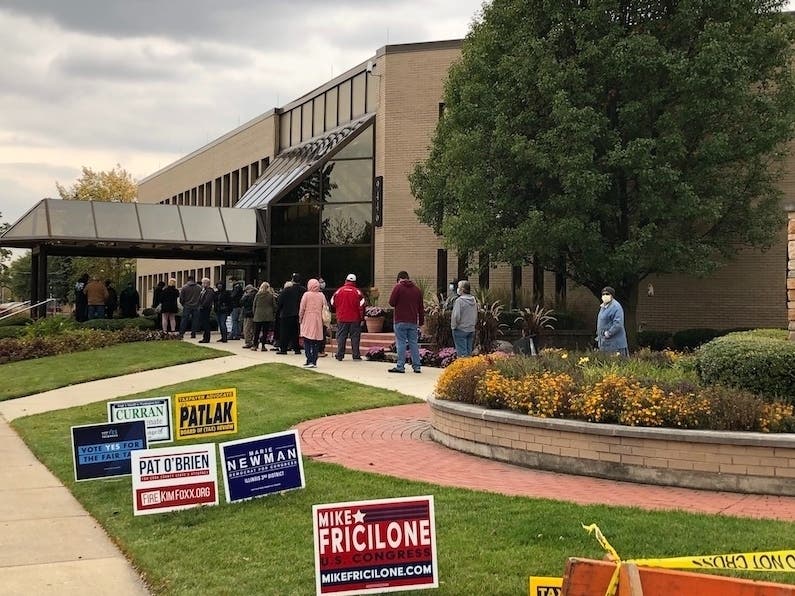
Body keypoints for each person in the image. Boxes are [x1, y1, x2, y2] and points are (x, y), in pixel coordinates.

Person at [388, 270, 424, 373]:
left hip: (400, 320)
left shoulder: (398, 287)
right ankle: (417, 366)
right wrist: (421, 321)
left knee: (401, 343)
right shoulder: (417, 290)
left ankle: (400, 366)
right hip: (412, 321)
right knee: (413, 343)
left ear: (399, 279)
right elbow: (421, 308)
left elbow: (391, 302)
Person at [331, 273, 365, 360]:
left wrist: (339, 309)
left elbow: (332, 302)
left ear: (346, 280)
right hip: (355, 318)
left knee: (341, 336)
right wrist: (361, 318)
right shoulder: (358, 292)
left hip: (342, 317)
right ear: (355, 282)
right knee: (355, 337)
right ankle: (356, 355)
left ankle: (340, 355)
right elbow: (362, 306)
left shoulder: (339, 291)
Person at [299, 278, 327, 367]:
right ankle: (314, 361)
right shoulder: (321, 295)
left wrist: (300, 318)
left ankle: (309, 359)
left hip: (307, 318)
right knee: (316, 341)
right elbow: (325, 307)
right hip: (318, 319)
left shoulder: (306, 295)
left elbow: (302, 308)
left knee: (307, 340)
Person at [276, 274, 305, 355]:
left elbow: (279, 302)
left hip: (286, 314)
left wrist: (279, 310)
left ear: (292, 280)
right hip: (297, 314)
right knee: (295, 332)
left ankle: (283, 349)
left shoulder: (287, 290)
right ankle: (296, 349)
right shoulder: (303, 290)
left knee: (284, 332)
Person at [596, 286, 628, 356]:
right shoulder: (603, 307)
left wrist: (608, 333)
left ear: (612, 295)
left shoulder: (616, 307)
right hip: (604, 344)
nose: (605, 296)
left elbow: (618, 324)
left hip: (615, 344)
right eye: (603, 294)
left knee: (617, 364)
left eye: (607, 294)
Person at [450, 280, 477, 357]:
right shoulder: (473, 300)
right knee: (469, 353)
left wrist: (454, 326)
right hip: (471, 329)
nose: (457, 289)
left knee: (462, 354)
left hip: (460, 329)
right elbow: (475, 314)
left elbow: (456, 316)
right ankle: (469, 368)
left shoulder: (459, 301)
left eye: (458, 287)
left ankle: (463, 368)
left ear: (462, 289)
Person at [252, 282, 276, 351]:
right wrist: (273, 313)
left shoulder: (258, 295)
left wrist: (255, 313)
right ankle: (263, 346)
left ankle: (255, 345)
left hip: (258, 315)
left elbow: (254, 305)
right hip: (267, 316)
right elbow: (274, 305)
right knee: (265, 331)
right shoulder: (270, 296)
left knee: (257, 331)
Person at [197, 278, 215, 343]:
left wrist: (202, 306)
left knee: (206, 323)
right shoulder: (204, 290)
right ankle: (205, 337)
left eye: (203, 283)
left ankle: (206, 338)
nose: (202, 284)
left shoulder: (209, 291)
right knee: (204, 323)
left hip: (206, 309)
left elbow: (208, 300)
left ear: (206, 283)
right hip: (202, 308)